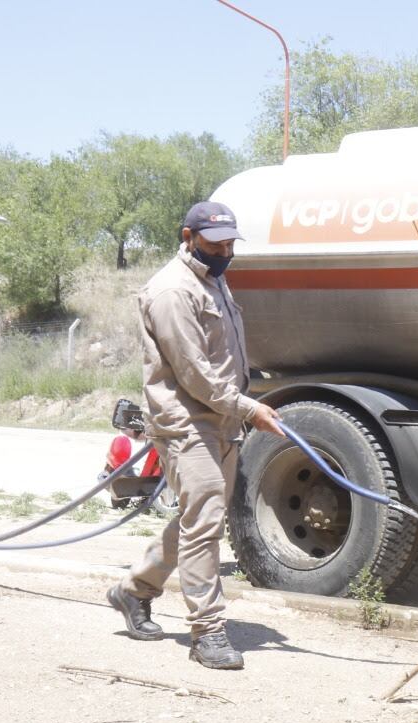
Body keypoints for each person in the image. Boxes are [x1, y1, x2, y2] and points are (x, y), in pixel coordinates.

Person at [107, 200, 284, 670]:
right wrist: (250, 407)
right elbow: (194, 373)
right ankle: (207, 632)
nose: (225, 251)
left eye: (230, 243)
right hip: (188, 423)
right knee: (204, 525)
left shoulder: (213, 280)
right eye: (216, 244)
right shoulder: (171, 292)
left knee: (197, 518)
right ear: (188, 237)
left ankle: (133, 590)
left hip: (222, 420)